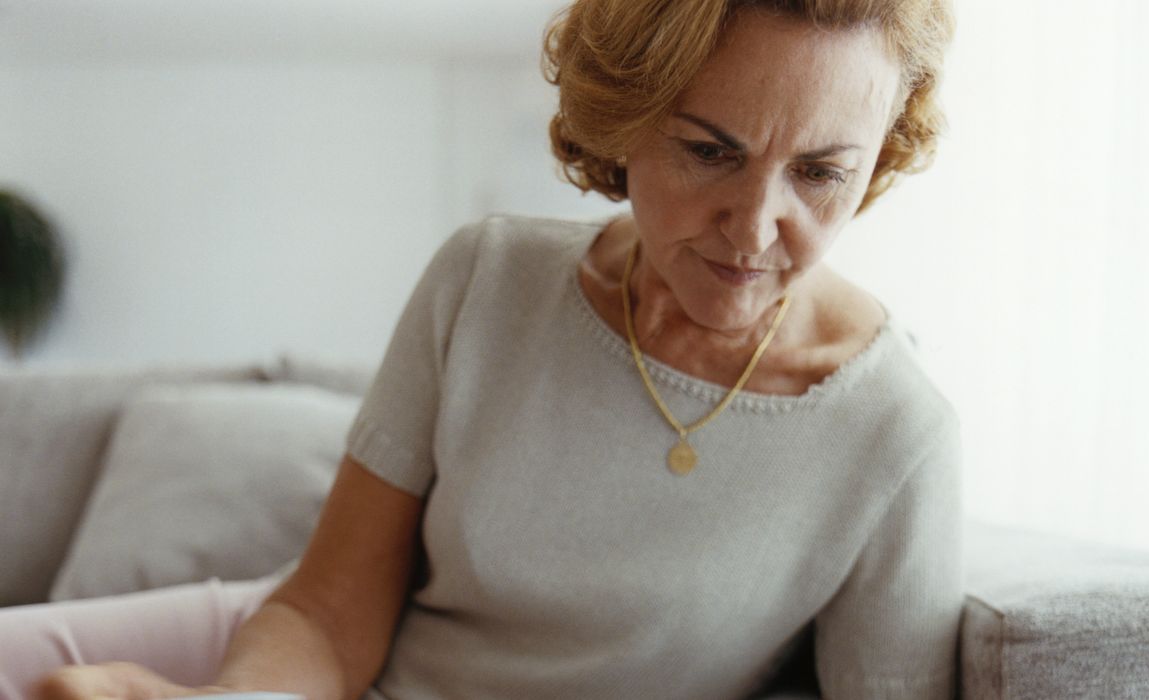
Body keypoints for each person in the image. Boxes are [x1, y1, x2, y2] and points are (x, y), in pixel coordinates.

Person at [6, 0, 961, 698]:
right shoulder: (487, 278)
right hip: (301, 656)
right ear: (626, 122)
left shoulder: (894, 433)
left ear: (879, 156)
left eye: (821, 172)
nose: (754, 230)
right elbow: (329, 612)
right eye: (708, 151)